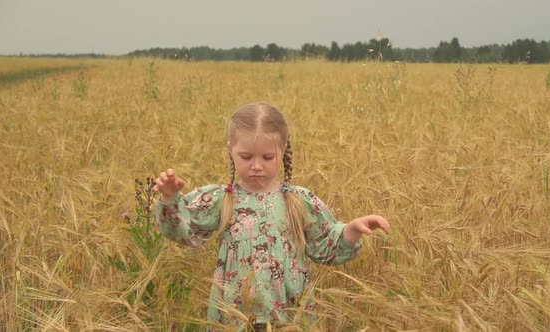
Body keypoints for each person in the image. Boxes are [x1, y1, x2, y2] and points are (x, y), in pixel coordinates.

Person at [154, 102, 390, 330]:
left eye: (267, 157)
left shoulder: (298, 200)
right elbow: (184, 230)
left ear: (283, 148)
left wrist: (352, 229)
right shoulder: (221, 199)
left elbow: (324, 245)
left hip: (289, 317)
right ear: (230, 149)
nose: (256, 166)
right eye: (246, 157)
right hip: (235, 317)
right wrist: (169, 198)